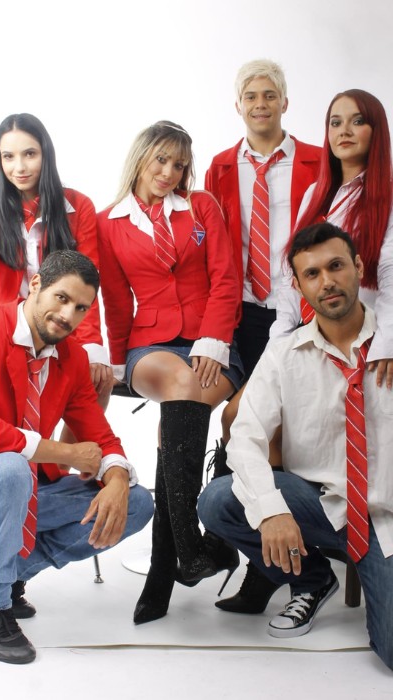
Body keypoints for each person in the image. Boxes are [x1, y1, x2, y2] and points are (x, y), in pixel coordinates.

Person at [198, 223, 393, 669]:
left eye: (336, 266)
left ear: (358, 268)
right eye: (312, 274)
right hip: (323, 505)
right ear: (299, 286)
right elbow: (244, 438)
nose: (327, 282)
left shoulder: (390, 341)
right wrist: (272, 510)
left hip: (387, 515)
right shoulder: (285, 354)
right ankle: (312, 579)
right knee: (219, 500)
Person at [97, 120, 244, 623]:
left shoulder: (201, 207)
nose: (169, 172)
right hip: (150, 345)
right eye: (161, 159)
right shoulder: (108, 222)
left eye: (179, 164)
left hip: (214, 341)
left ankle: (167, 568)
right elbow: (116, 300)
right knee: (181, 388)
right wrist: (117, 362)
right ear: (141, 156)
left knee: (176, 426)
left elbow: (226, 278)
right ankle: (192, 545)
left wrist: (213, 339)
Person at [202, 59, 324, 613]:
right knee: (246, 425)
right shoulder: (221, 167)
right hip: (244, 313)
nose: (259, 103)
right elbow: (214, 246)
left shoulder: (316, 161)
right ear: (238, 105)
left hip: (298, 312)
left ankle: (272, 566)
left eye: (269, 94)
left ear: (284, 102)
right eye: (250, 95)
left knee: (269, 427)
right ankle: (245, 548)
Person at [0, 249, 154, 664]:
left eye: (81, 308)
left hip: (34, 496)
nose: (68, 316)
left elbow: (101, 436)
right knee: (11, 468)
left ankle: (8, 578)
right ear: (35, 286)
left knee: (138, 503)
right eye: (61, 298)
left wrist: (117, 479)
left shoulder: (73, 358)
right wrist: (64, 452)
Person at [0, 113, 113, 437]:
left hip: (60, 319)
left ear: (46, 154)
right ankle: (33, 454)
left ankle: (60, 461)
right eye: (8, 157)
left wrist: (92, 345)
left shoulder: (78, 206)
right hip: (10, 326)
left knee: (99, 379)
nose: (19, 167)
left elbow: (88, 283)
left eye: (29, 154)